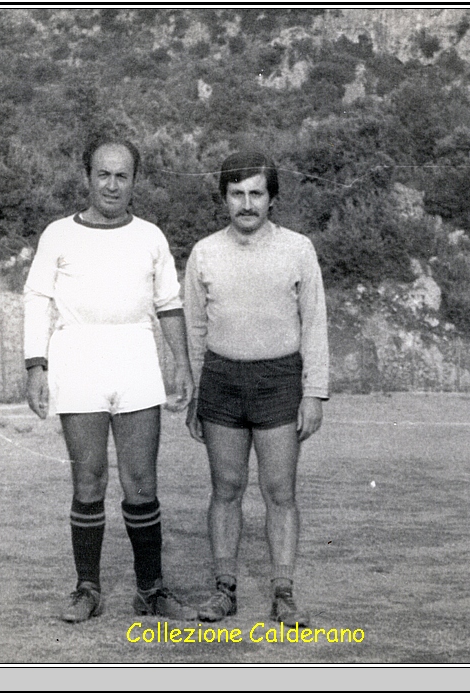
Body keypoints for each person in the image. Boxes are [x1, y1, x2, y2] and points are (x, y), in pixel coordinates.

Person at [23, 134, 197, 623]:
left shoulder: (151, 237)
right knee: (89, 478)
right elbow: (37, 298)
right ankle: (87, 588)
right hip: (77, 356)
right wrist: (35, 365)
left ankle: (151, 589)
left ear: (135, 182)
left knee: (141, 481)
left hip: (136, 357)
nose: (113, 184)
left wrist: (182, 364)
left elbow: (169, 305)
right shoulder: (58, 234)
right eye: (104, 174)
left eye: (123, 175)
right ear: (87, 178)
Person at [183, 151, 329, 626]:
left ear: (272, 198)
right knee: (225, 487)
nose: (247, 204)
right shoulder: (204, 252)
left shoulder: (298, 249)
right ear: (224, 198)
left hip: (278, 381)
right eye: (237, 193)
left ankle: (283, 593)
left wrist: (314, 392)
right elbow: (195, 330)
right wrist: (196, 393)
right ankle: (224, 590)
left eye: (256, 194)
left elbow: (315, 326)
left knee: (279, 490)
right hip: (222, 382)